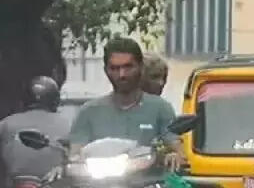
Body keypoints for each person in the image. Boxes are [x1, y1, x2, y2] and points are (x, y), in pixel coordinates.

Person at [69, 38, 181, 166]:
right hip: (99, 182)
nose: (122, 74)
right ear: (106, 70)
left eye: (128, 67)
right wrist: (72, 162)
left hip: (147, 182)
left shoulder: (161, 108)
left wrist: (173, 155)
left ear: (140, 67)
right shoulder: (88, 112)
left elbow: (175, 147)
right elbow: (75, 155)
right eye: (115, 68)